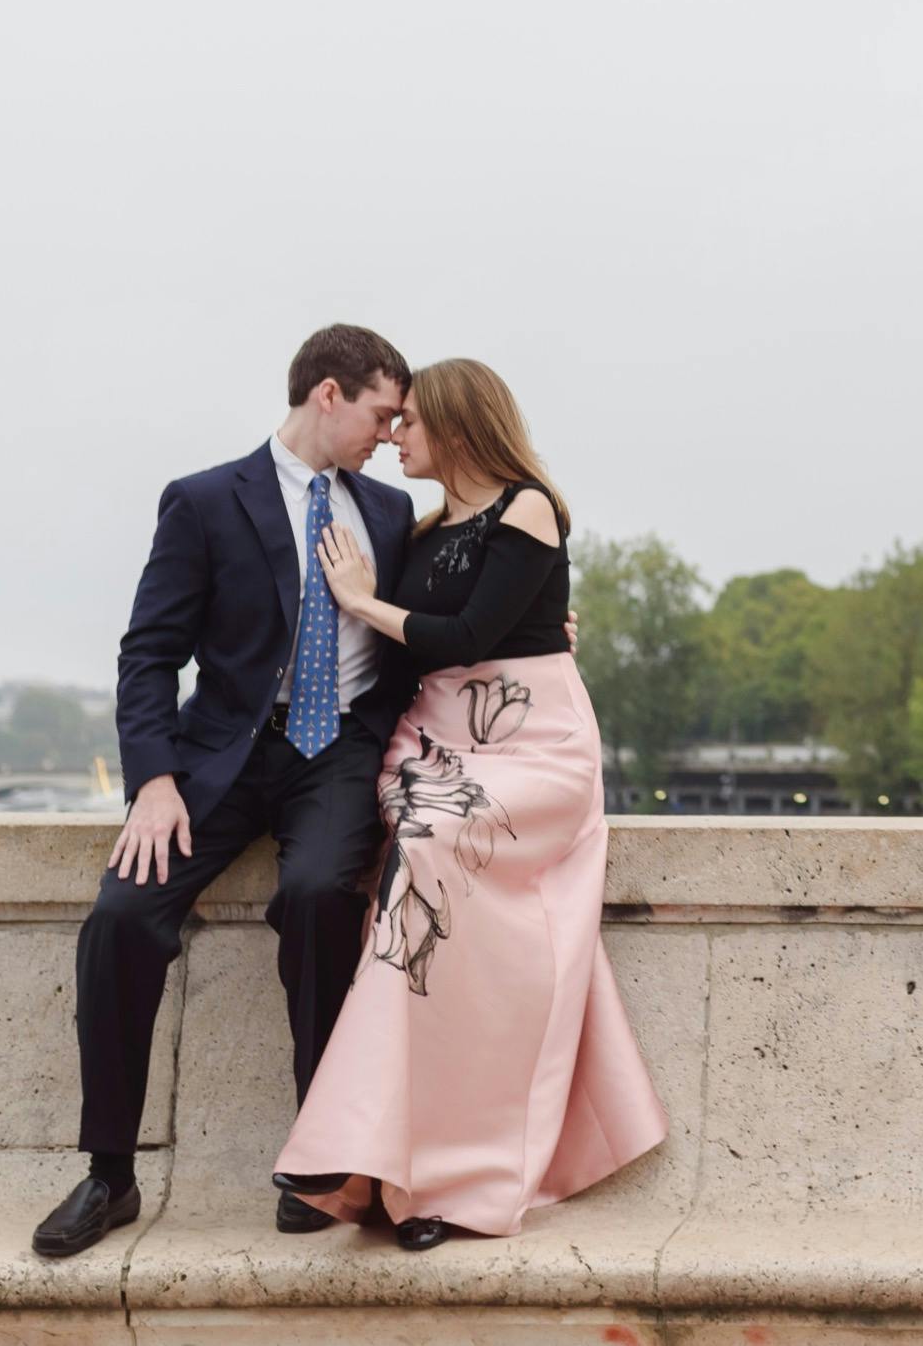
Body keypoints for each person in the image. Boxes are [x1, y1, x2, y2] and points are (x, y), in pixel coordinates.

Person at [35, 324, 422, 1258]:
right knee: (122, 918)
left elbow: (443, 622)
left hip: (340, 753)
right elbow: (149, 654)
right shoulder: (206, 501)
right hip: (220, 756)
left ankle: (323, 1161)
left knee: (321, 895)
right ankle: (110, 1173)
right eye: (381, 413)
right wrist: (155, 778)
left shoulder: (394, 515)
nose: (388, 435)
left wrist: (542, 629)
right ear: (327, 394)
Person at [271, 357, 664, 1249]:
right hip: (437, 742)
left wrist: (362, 600)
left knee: (427, 852)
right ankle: (392, 1169)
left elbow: (472, 636)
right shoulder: (417, 532)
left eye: (409, 422)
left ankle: (432, 1177)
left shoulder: (529, 504)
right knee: (422, 848)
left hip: (535, 746)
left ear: (453, 423)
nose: (395, 436)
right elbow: (418, 656)